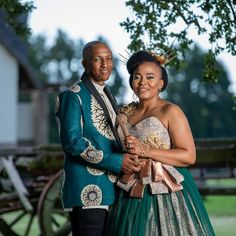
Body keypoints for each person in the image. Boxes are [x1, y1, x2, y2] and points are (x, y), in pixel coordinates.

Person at [106, 50, 215, 236]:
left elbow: (189, 155)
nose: (142, 82)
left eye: (150, 77)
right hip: (128, 190)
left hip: (164, 189)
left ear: (161, 83)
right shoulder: (124, 113)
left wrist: (147, 150)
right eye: (137, 77)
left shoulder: (171, 111)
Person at [55, 41, 140, 236]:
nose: (105, 64)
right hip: (88, 190)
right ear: (84, 64)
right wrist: (117, 162)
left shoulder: (107, 94)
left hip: (112, 188)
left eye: (109, 59)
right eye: (98, 59)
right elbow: (72, 144)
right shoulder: (72, 96)